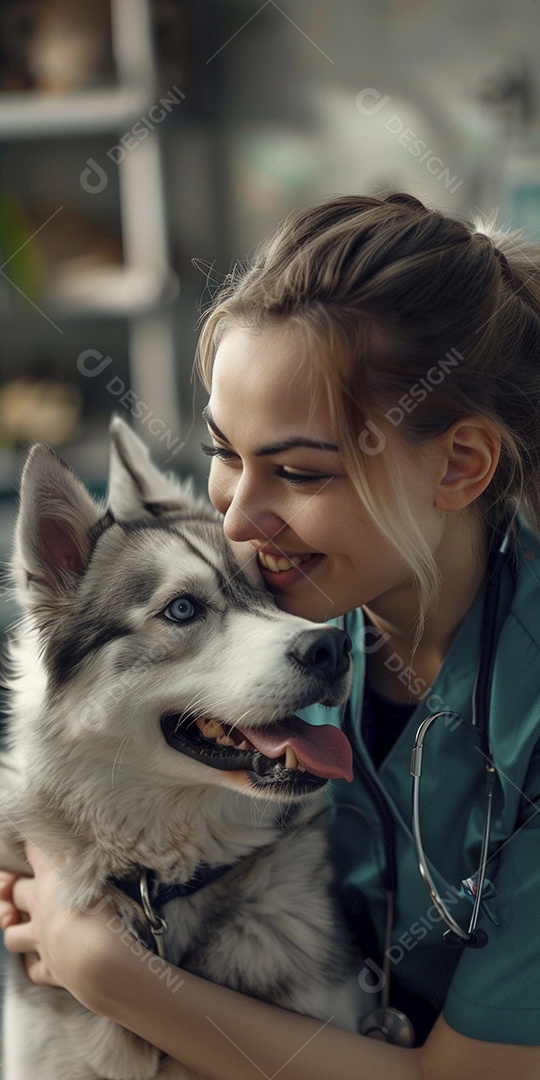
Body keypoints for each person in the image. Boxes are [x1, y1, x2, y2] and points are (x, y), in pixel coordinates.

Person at [2, 192, 540, 1079]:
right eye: (224, 453)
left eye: (297, 471)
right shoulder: (301, 608)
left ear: (459, 464)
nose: (241, 520)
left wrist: (102, 967)